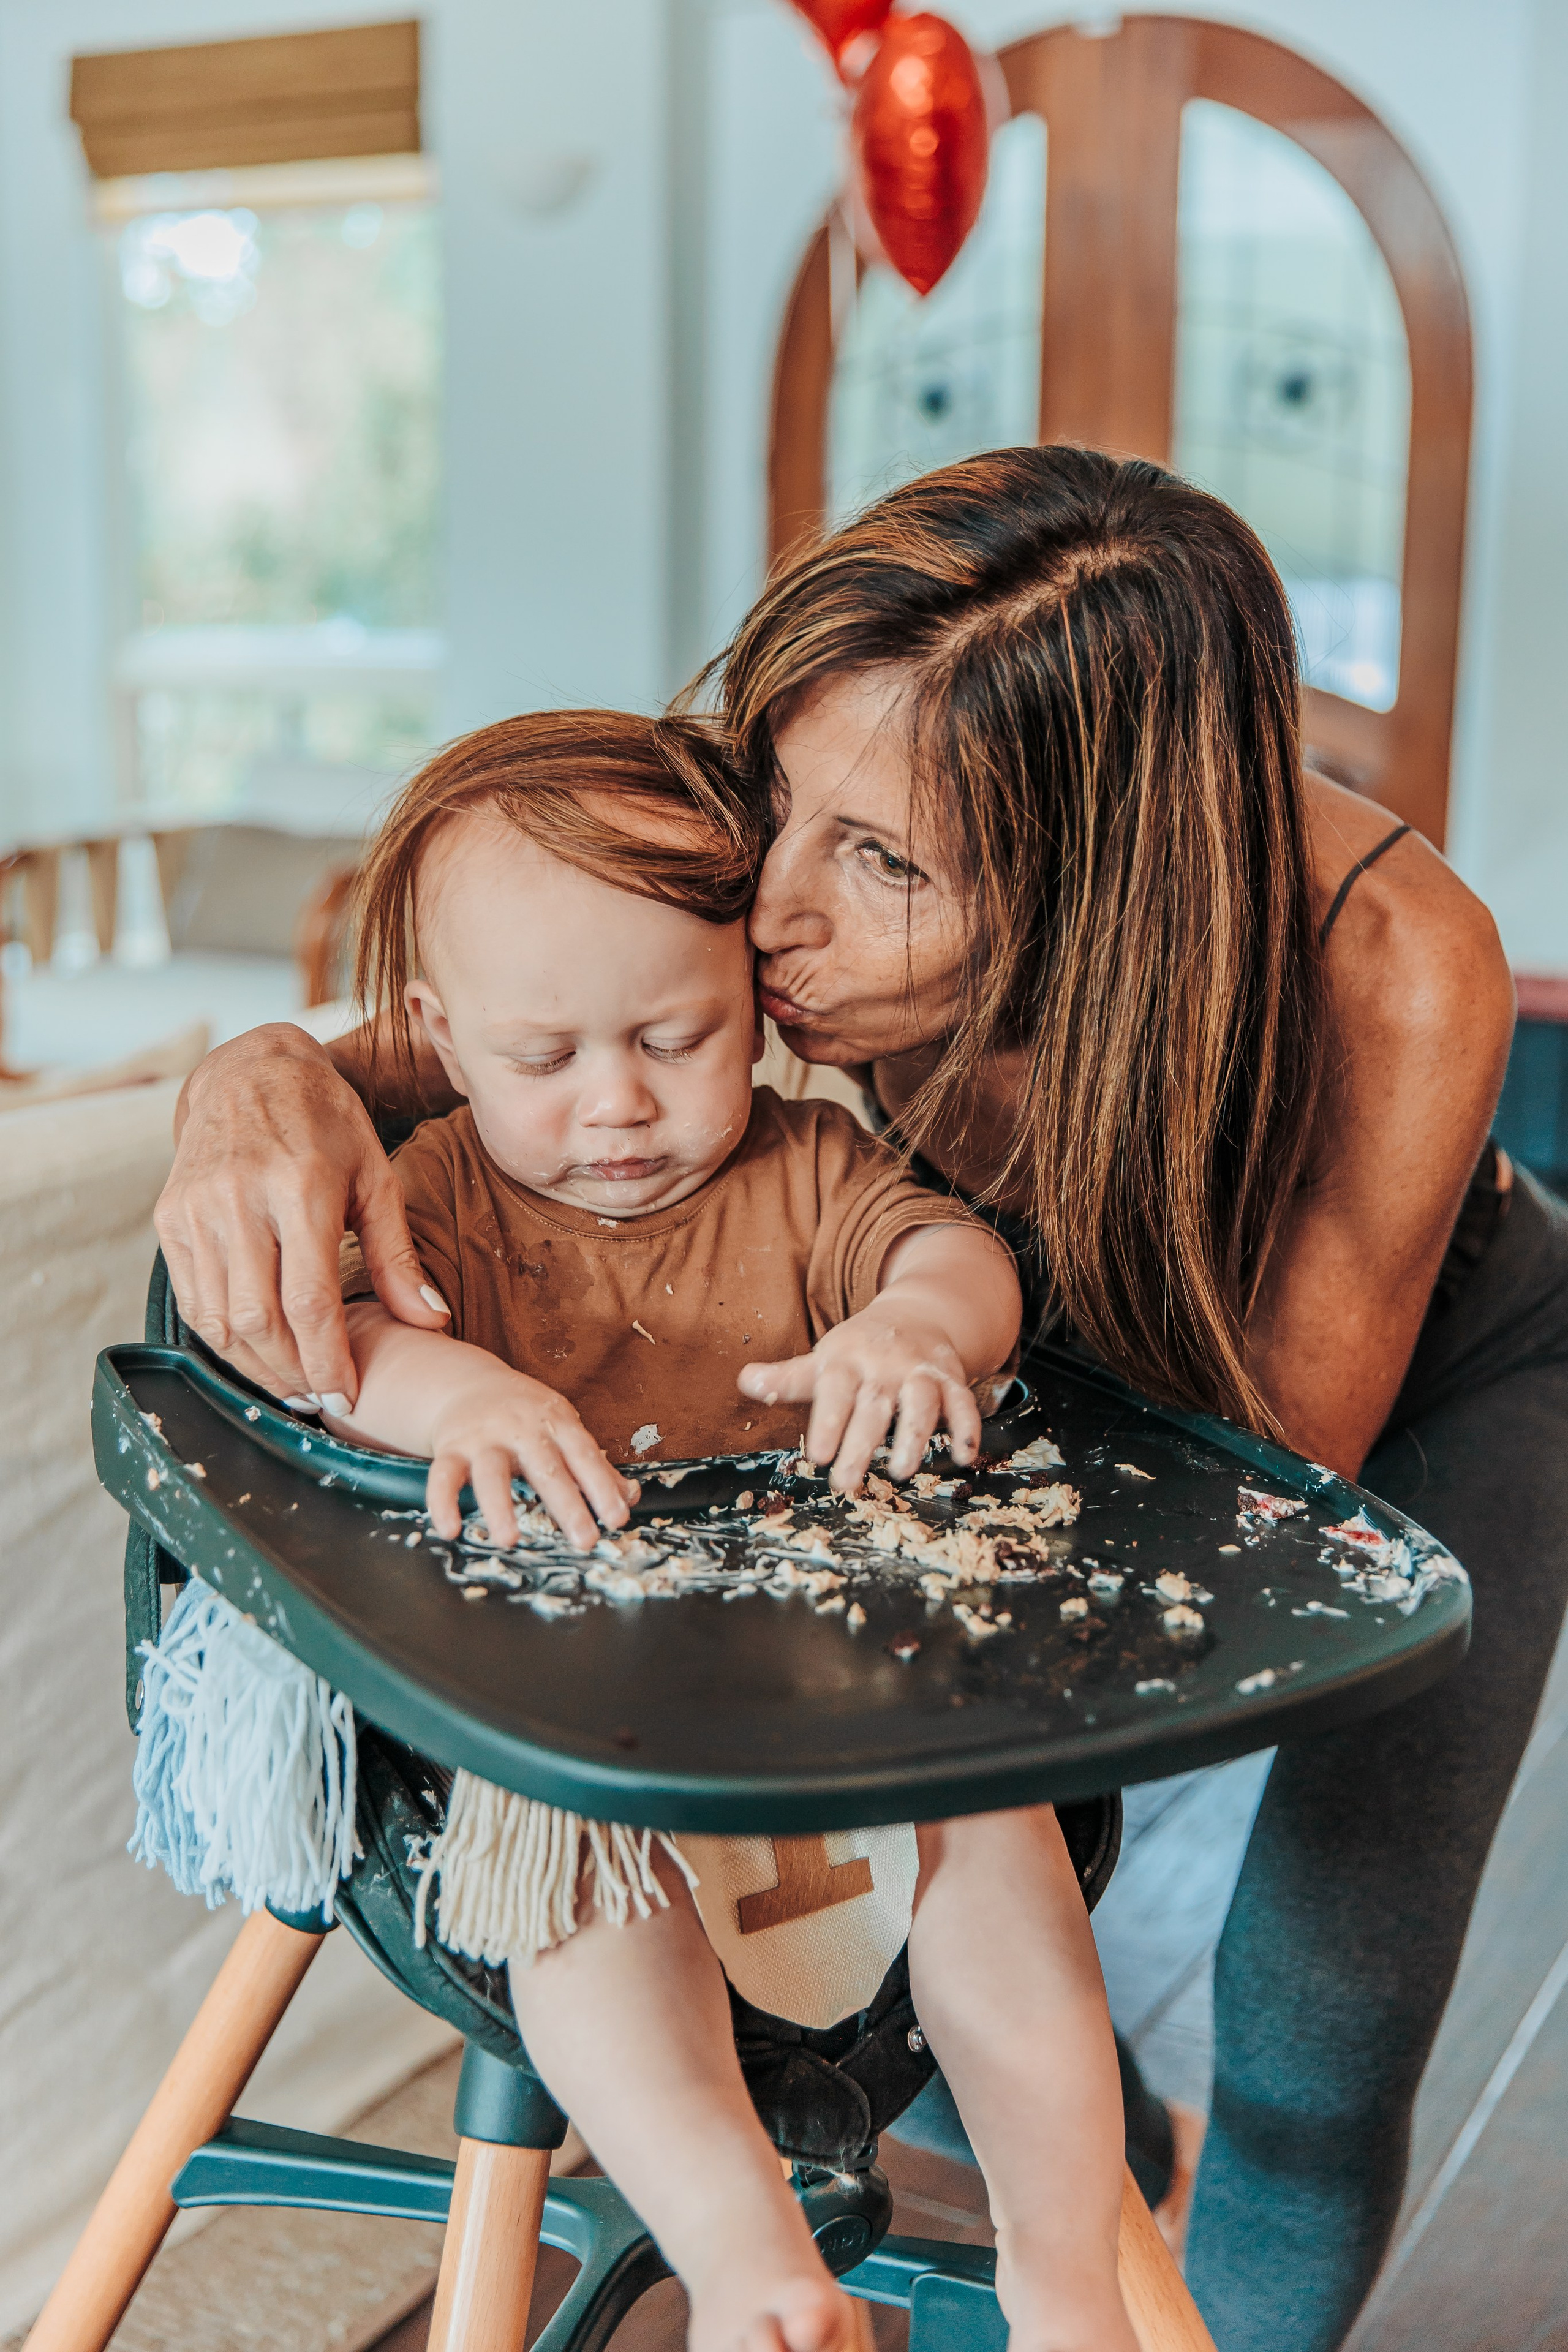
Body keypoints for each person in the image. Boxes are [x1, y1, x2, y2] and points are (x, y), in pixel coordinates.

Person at [154, 447, 1568, 2352]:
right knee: (903, 1944)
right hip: (941, 1338)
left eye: (883, 865)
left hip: (1349, 1396)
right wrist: (256, 1070)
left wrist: (914, 1358)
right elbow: (495, 1019)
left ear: (1106, 888)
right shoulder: (807, 844)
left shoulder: (1397, 968)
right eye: (772, 802)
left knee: (1323, 2033)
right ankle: (1097, 2163)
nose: (766, 919)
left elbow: (1239, 1483)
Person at [285, 704, 1137, 2352]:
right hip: (574, 1718)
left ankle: (1066, 2262)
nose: (616, 1104)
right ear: (440, 1038)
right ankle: (743, 2253)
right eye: (546, 1060)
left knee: (1001, 1844)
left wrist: (915, 1329)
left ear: (755, 1003)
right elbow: (340, 1348)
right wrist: (456, 1397)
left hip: (838, 1689)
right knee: (583, 1903)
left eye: (674, 1039)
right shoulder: (441, 1190)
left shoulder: (811, 1165)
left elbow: (957, 1262)